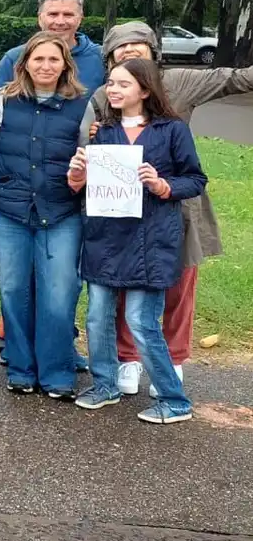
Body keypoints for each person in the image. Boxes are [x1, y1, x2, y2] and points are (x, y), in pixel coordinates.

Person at [90, 21, 253, 396]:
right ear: (110, 56)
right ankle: (127, 358)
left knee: (180, 284)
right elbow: (93, 140)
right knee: (123, 283)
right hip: (126, 207)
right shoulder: (105, 94)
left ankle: (173, 360)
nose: (130, 51)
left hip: (179, 205)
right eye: (121, 47)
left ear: (153, 50)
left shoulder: (180, 81)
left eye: (138, 45)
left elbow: (234, 79)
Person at [69, 58, 205, 424]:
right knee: (97, 318)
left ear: (144, 90)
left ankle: (175, 400)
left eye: (122, 84)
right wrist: (78, 176)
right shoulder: (103, 133)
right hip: (105, 237)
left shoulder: (172, 131)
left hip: (151, 240)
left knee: (141, 321)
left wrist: (164, 186)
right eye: (111, 83)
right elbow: (84, 189)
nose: (112, 90)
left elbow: (195, 179)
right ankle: (104, 385)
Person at [0, 32, 91, 398]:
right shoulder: (3, 101)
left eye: (53, 60)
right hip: (8, 209)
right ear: (25, 63)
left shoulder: (82, 106)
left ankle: (58, 371)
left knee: (59, 292)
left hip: (61, 210)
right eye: (38, 59)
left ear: (65, 65)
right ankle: (20, 367)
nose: (45, 66)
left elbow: (89, 157)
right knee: (14, 290)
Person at [0, 0, 105, 93]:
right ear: (40, 18)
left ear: (80, 19)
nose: (60, 22)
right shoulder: (14, 58)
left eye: (68, 15)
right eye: (53, 14)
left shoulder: (101, 58)